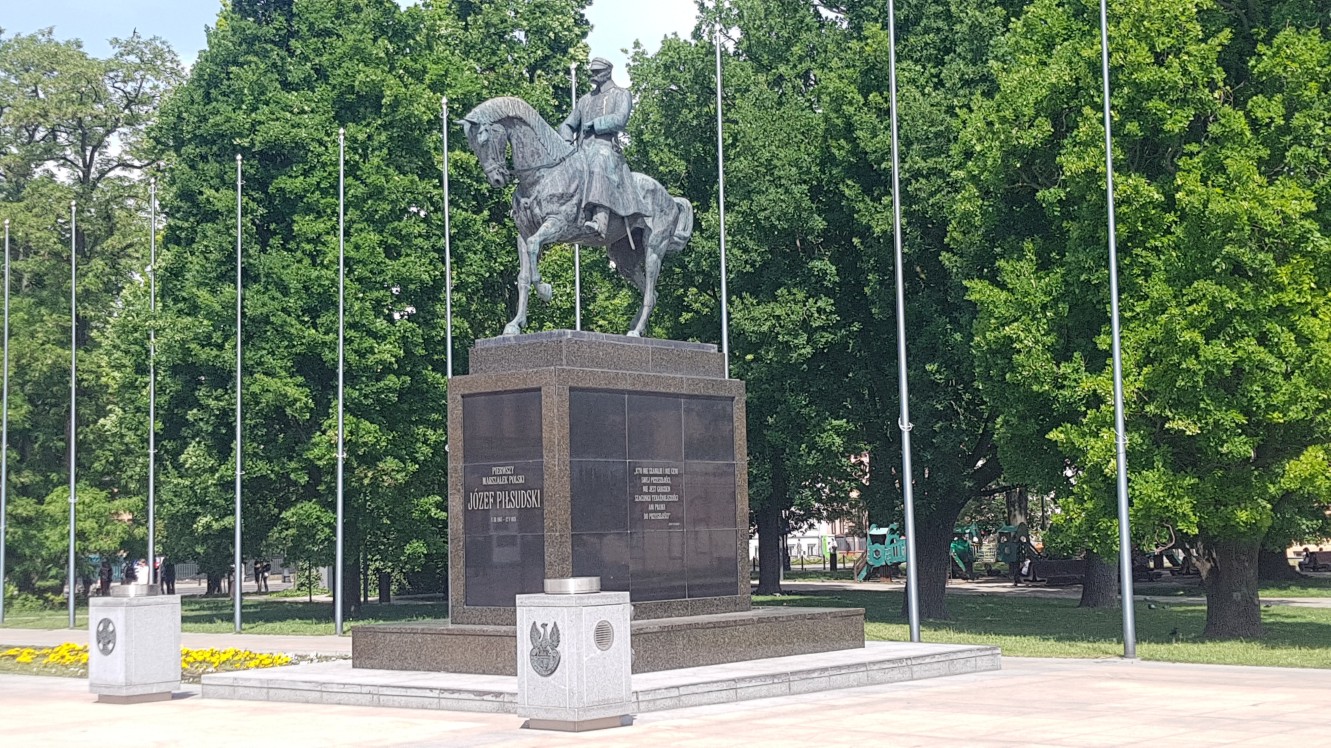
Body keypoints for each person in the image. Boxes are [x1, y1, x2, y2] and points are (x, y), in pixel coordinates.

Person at [558, 57, 649, 240]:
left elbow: (620, 119)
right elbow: (567, 124)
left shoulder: (621, 94)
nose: (594, 75)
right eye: (592, 71)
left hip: (606, 148)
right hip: (583, 150)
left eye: (597, 71)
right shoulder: (585, 100)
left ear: (608, 71)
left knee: (599, 160)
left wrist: (595, 124)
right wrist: (567, 140)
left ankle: (600, 220)